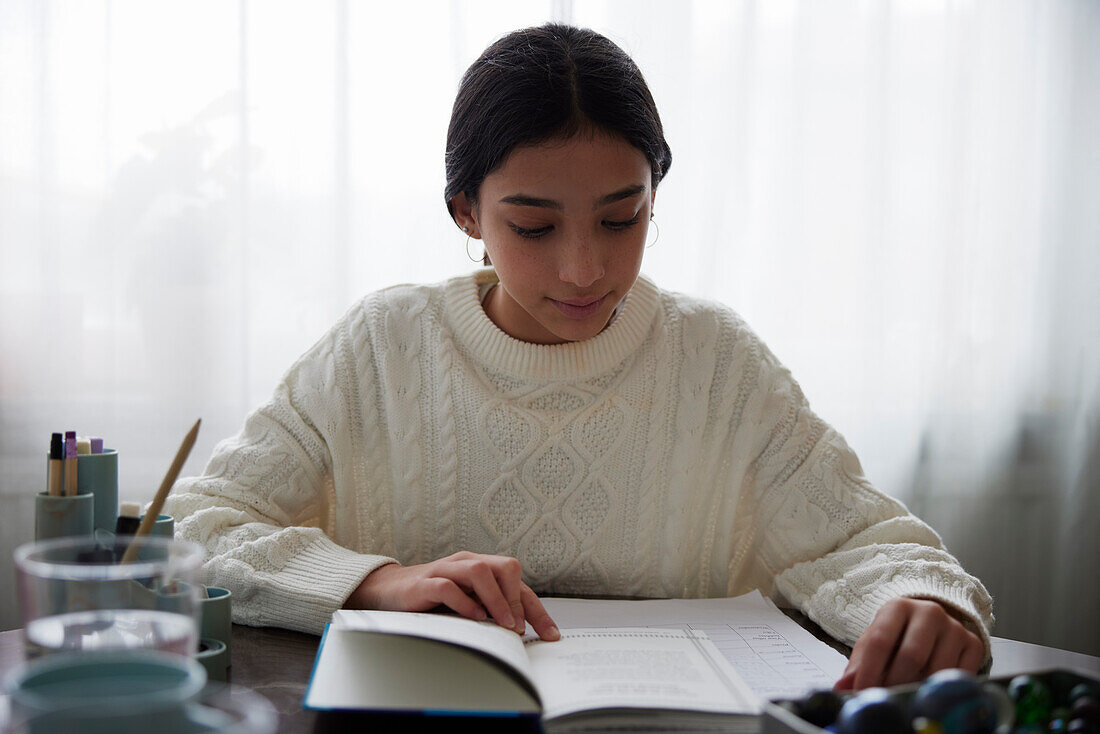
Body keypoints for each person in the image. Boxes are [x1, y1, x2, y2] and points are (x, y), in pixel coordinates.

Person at [164, 23, 993, 691]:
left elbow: (867, 541)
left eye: (621, 217)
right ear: (467, 213)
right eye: (533, 227)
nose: (584, 268)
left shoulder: (715, 361)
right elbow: (189, 530)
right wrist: (376, 582)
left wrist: (919, 603)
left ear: (653, 195)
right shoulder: (384, 347)